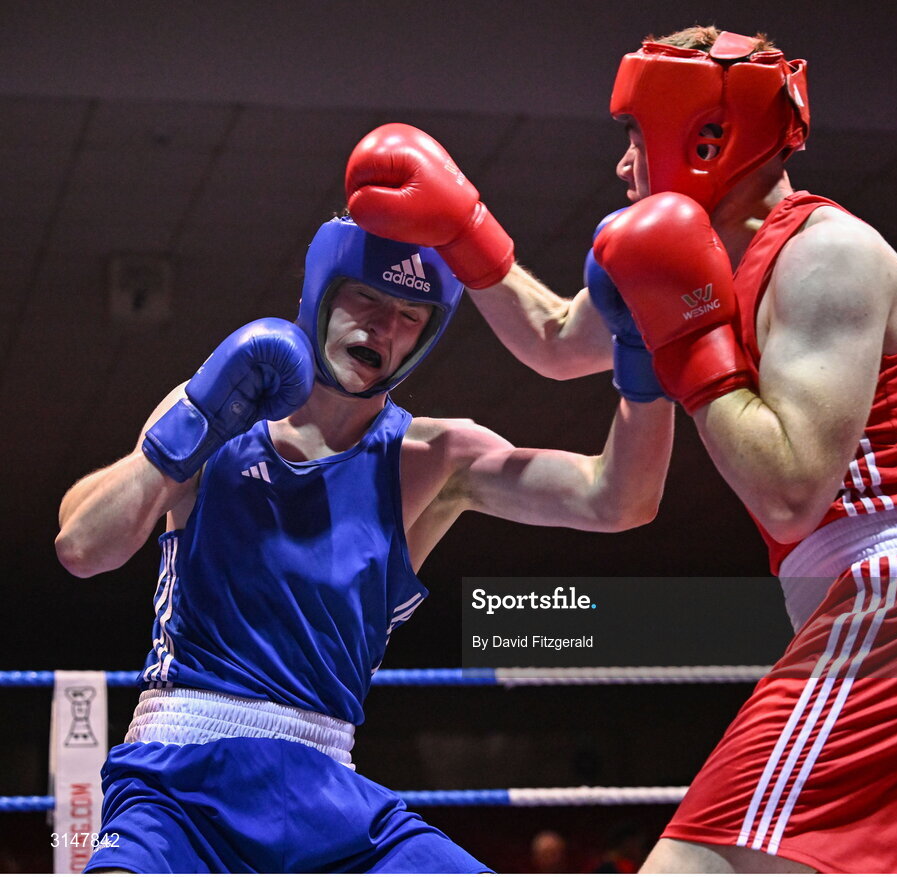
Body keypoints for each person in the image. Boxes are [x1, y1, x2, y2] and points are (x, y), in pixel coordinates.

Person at [343, 26, 897, 874]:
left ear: (706, 139)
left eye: (636, 137)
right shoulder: (687, 258)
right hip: (885, 622)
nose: (624, 167)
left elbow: (791, 490)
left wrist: (691, 337)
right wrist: (464, 228)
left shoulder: (827, 257)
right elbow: (558, 341)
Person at [54, 213, 674, 873]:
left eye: (410, 313)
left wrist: (643, 351)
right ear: (321, 292)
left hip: (327, 795)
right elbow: (83, 546)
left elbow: (620, 500)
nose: (383, 325)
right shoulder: (210, 415)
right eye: (368, 298)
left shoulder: (434, 457)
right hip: (175, 780)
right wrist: (199, 419)